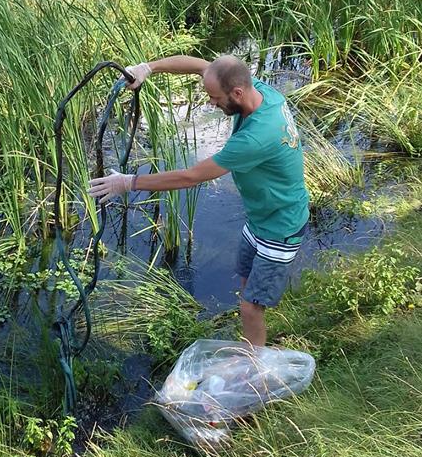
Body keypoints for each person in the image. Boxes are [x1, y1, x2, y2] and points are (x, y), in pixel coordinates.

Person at [88, 55, 309, 348]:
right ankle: (251, 345)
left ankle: (255, 372)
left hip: (282, 227)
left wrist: (128, 182)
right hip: (260, 219)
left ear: (237, 93)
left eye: (215, 98)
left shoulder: (255, 138)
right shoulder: (259, 91)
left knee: (250, 306)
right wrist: (148, 68)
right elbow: (200, 65)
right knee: (246, 289)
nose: (211, 103)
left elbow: (191, 177)